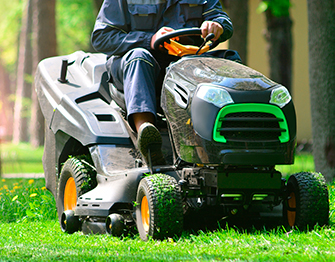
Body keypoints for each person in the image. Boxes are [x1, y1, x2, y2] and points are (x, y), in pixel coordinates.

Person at [91, 0, 233, 165]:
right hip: (137, 66)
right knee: (139, 57)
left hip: (186, 66)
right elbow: (102, 37)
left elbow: (221, 20)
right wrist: (149, 39)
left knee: (229, 60)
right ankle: (146, 134)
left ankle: (233, 136)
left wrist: (217, 25)